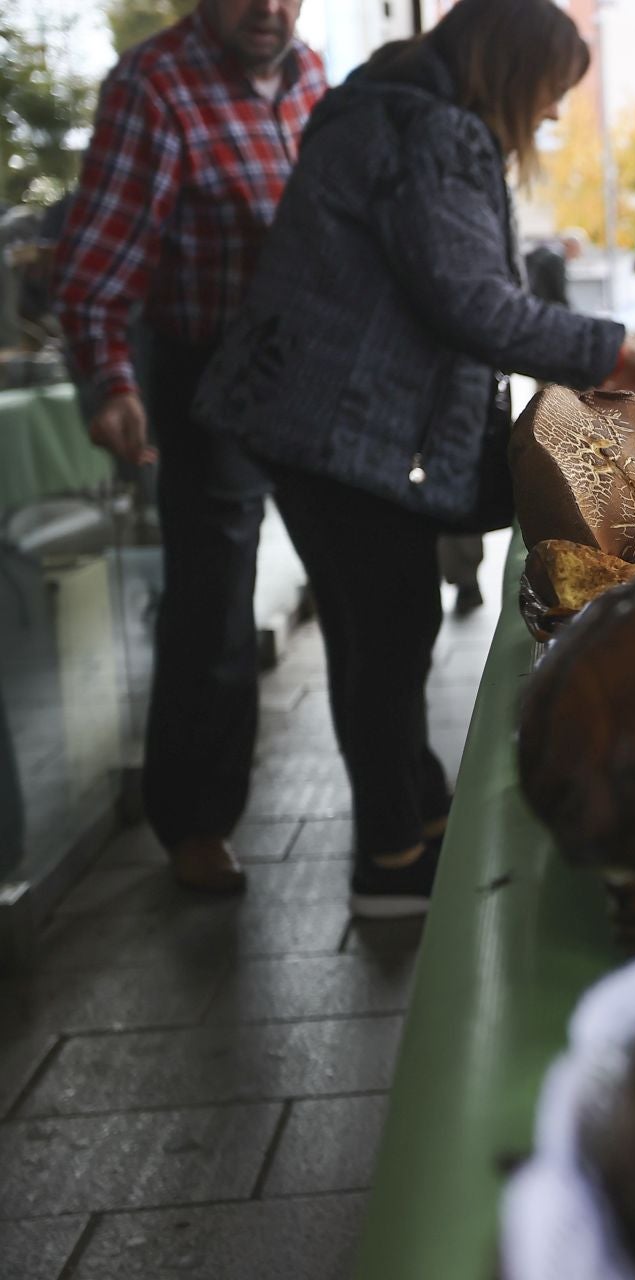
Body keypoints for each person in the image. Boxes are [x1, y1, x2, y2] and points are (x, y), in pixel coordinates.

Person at [194, 0, 635, 917]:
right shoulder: (435, 131)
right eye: (546, 99)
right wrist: (615, 349)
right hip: (343, 430)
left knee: (379, 629)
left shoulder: (380, 103)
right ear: (513, 71)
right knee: (384, 636)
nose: (544, 120)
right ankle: (389, 860)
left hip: (311, 421)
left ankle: (414, 813)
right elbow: (468, 300)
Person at [53, 0, 326, 894]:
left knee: (372, 586)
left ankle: (404, 814)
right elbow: (97, 258)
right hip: (207, 372)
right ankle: (197, 825)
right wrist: (112, 380)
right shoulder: (155, 84)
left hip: (310, 367)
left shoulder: (312, 74)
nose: (269, 7)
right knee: (211, 609)